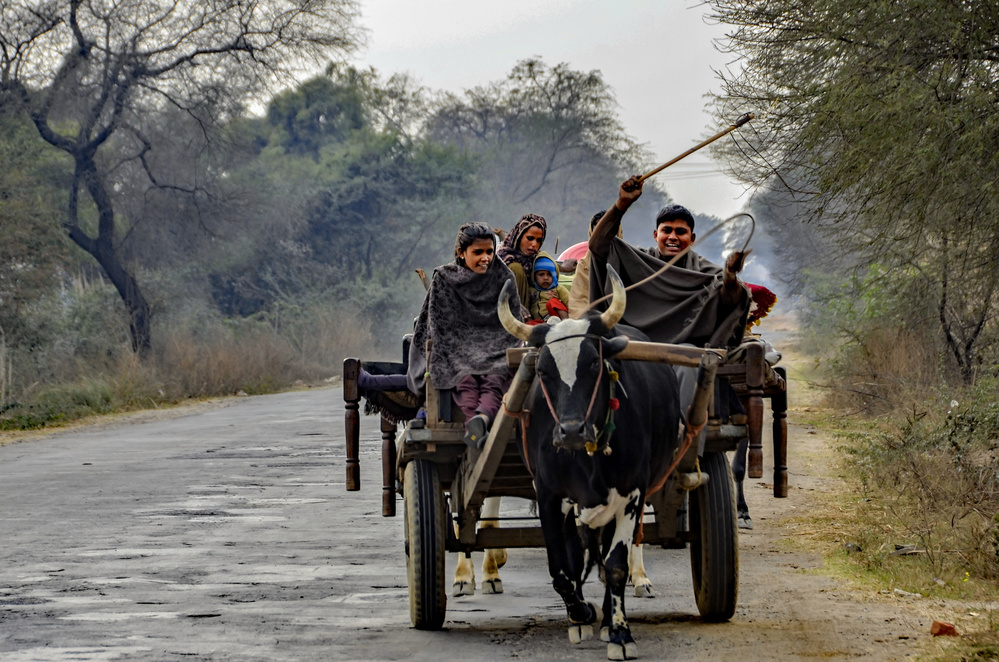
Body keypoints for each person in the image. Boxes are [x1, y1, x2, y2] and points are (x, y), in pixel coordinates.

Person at [407, 223, 523, 448]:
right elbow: (441, 327)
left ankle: (481, 420)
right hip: (457, 348)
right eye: (478, 252)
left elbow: (512, 323)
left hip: (497, 347)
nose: (485, 258)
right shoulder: (444, 278)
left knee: (495, 378)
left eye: (489, 251)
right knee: (464, 380)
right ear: (461, 252)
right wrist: (467, 352)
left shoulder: (504, 277)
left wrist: (491, 348)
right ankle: (475, 425)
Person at [497, 213, 547, 309]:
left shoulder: (536, 258)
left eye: (538, 240)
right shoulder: (504, 258)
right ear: (519, 236)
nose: (534, 244)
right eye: (530, 238)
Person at [527, 252, 570, 323]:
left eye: (549, 274)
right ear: (534, 276)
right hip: (542, 322)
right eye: (541, 274)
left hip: (557, 317)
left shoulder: (558, 288)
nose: (545, 278)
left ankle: (566, 322)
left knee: (552, 302)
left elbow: (570, 302)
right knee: (530, 324)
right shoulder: (531, 290)